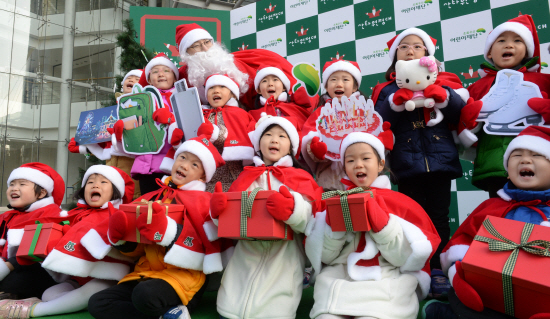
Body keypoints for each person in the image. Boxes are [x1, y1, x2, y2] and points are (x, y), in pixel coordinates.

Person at [88, 135, 232, 319]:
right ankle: (165, 315)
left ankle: (167, 309)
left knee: (144, 294)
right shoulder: (152, 197)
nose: (185, 165)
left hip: (184, 278)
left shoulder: (204, 202)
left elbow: (203, 245)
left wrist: (168, 233)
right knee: (98, 303)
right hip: (145, 273)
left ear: (203, 176)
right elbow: (138, 247)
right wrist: (121, 239)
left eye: (195, 165)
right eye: (182, 158)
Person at [373, 28, 468, 297]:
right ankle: (416, 267)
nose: (411, 50)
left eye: (417, 46)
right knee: (411, 219)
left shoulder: (441, 81)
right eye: (404, 46)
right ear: (395, 56)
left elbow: (460, 112)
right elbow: (379, 120)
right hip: (406, 163)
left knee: (438, 216)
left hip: (440, 160)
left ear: (427, 53)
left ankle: (437, 268)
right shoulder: (386, 88)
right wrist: (395, 101)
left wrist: (441, 94)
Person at [305, 132, 440, 319]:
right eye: (350, 161)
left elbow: (407, 259)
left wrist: (384, 227)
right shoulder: (337, 202)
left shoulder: (399, 202)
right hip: (340, 280)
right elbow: (326, 257)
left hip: (386, 279)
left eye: (365, 158)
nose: (358, 164)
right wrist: (332, 229)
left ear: (380, 164)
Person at [424, 126, 550, 319]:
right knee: (468, 300)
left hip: (541, 294)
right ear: (507, 172)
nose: (525, 159)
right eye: (516, 155)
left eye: (536, 154)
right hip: (491, 291)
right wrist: (459, 267)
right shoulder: (491, 207)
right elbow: (462, 241)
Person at [208, 114, 323, 319]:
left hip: (284, 259)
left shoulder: (301, 178)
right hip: (245, 257)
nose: (274, 139)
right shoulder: (246, 177)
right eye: (268, 134)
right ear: (259, 143)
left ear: (292, 147)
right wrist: (218, 213)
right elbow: (232, 224)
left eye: (282, 136)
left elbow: (315, 220)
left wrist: (293, 210)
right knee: (231, 310)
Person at [0, 166, 135, 318]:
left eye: (103, 182)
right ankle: (49, 303)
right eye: (90, 182)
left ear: (116, 191)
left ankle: (33, 311)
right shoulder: (73, 215)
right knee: (49, 294)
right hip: (78, 278)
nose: (95, 185)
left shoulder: (118, 216)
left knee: (92, 291)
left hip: (109, 277)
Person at [464, 15, 550, 198]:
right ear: (489, 52)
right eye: (501, 40)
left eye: (517, 41)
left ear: (527, 51)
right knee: (501, 213)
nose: (509, 45)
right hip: (493, 164)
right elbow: (464, 128)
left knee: (540, 214)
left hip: (540, 164)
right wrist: (468, 121)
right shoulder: (477, 87)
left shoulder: (543, 81)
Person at [176, 23, 296, 108]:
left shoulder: (227, 62)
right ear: (186, 53)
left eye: (207, 42)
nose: (205, 48)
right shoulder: (183, 77)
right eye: (196, 45)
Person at [0, 163, 72, 302]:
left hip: (38, 270)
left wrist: (7, 266)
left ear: (42, 192)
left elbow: (38, 254)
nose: (14, 188)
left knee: (16, 281)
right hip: (7, 266)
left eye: (22, 184)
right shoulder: (6, 217)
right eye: (12, 184)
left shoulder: (52, 214)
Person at [69, 69, 144, 199]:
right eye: (129, 78)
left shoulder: (144, 107)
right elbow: (105, 137)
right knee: (111, 195)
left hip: (132, 160)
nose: (132, 80)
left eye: (137, 79)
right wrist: (86, 143)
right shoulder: (114, 110)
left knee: (133, 194)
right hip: (110, 161)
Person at [111, 54, 180, 195]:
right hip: (144, 168)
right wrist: (121, 135)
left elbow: (192, 130)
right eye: (155, 71)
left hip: (173, 166)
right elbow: (135, 135)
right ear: (148, 79)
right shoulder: (135, 100)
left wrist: (171, 120)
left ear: (175, 77)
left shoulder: (182, 98)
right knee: (147, 211)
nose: (160, 74)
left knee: (171, 211)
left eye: (166, 70)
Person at [300, 60, 366, 191]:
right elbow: (308, 137)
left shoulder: (364, 110)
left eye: (345, 79)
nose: (339, 84)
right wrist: (315, 150)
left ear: (354, 87)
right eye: (333, 79)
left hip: (361, 174)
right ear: (326, 86)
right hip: (329, 177)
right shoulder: (320, 113)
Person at [194, 74, 257, 192]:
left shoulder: (239, 114)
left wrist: (214, 134)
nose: (216, 91)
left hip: (232, 176)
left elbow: (241, 136)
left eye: (222, 86)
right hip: (205, 179)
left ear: (232, 93)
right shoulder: (202, 114)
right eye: (211, 88)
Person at [248, 63, 314, 130]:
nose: (270, 84)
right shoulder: (252, 115)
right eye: (264, 81)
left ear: (284, 87)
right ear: (258, 90)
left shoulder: (296, 109)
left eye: (275, 80)